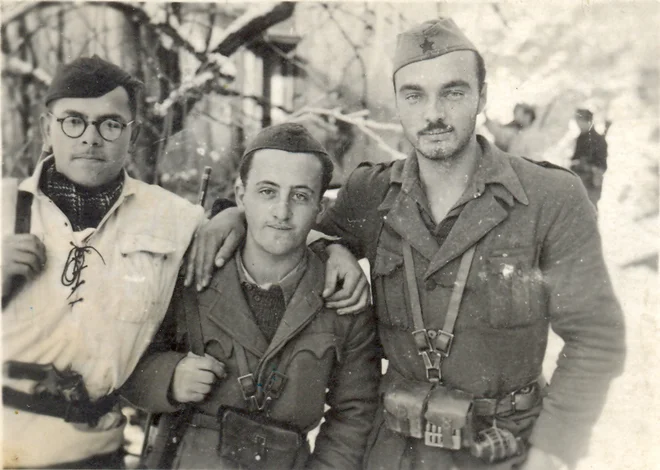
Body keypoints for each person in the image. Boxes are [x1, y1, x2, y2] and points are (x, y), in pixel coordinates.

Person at [195, 18, 626, 470]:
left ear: (483, 95)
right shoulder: (370, 193)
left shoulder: (548, 198)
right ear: (398, 102)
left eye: (453, 92)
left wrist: (554, 449)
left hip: (504, 449)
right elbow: (291, 224)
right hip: (392, 452)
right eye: (414, 94)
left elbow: (596, 338)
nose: (433, 113)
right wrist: (238, 217)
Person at [0, 56, 368, 469]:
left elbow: (269, 231)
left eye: (109, 123)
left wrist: (331, 249)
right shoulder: (4, 205)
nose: (90, 138)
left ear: (132, 133)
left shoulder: (173, 220)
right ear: (47, 128)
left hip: (94, 456)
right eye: (73, 120)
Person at [122, 123, 379, 469]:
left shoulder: (343, 296)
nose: (282, 211)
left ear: (320, 206)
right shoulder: (190, 275)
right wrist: (170, 378)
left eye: (300, 196)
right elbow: (126, 363)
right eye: (268, 192)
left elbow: (356, 411)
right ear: (241, 195)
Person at [570, 108, 608, 207]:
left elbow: (602, 165)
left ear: (588, 121)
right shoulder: (580, 138)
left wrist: (588, 167)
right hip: (579, 180)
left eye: (580, 120)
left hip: (590, 182)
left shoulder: (598, 139)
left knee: (589, 211)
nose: (578, 124)